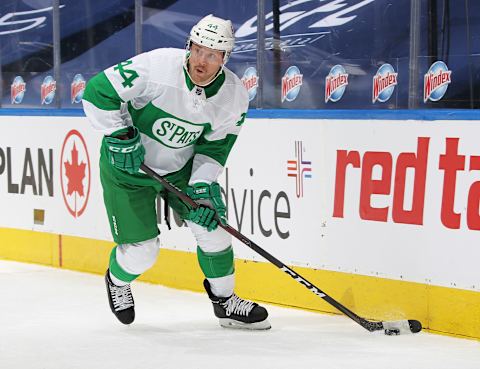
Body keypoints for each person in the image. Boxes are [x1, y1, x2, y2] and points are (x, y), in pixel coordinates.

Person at [82, 14, 270, 330]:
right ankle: (117, 281)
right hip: (129, 170)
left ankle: (225, 301)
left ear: (225, 58)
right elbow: (98, 91)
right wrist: (118, 135)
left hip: (180, 170)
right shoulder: (158, 66)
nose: (201, 60)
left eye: (212, 55)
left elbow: (214, 149)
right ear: (189, 46)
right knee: (143, 252)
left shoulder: (234, 96)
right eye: (197, 50)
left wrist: (201, 185)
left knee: (213, 228)